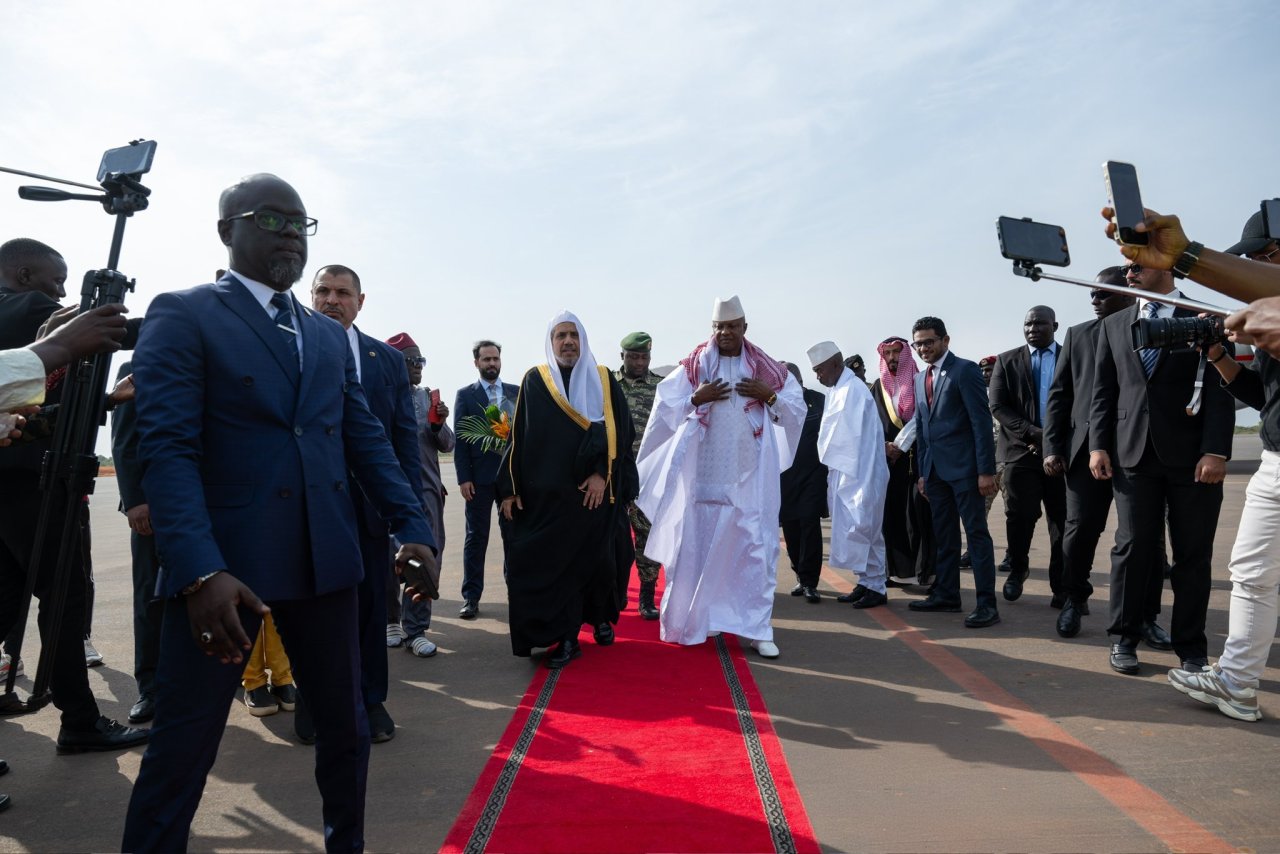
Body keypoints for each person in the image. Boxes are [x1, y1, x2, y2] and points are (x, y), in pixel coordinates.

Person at [121, 174, 436, 853]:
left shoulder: (324, 335)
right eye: (271, 218)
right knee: (183, 748)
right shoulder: (185, 313)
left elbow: (363, 437)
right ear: (226, 231)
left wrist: (412, 526)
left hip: (325, 561)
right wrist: (199, 572)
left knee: (347, 732)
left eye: (300, 222)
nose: (290, 232)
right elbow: (167, 450)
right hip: (225, 574)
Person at [0, 237, 146, 753]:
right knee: (64, 598)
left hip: (11, 482)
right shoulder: (28, 308)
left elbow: (29, 406)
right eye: (54, 281)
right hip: (38, 484)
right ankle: (80, 721)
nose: (60, 294)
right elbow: (111, 331)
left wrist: (104, 400)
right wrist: (192, 319)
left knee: (5, 601)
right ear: (23, 276)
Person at [1088, 253, 1234, 676]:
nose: (1129, 274)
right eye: (1127, 269)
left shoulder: (1204, 317)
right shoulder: (1114, 325)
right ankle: (1124, 637)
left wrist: (1216, 451)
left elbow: (1222, 388)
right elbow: (1104, 390)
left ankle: (1191, 648)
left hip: (1193, 459)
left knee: (1192, 555)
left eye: (1137, 267)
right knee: (1132, 548)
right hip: (1132, 455)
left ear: (1167, 267)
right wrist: (1098, 446)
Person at [1162, 205, 1280, 721]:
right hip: (1274, 460)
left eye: (1257, 260)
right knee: (1250, 573)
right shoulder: (1270, 315)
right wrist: (1217, 356)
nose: (1248, 273)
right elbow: (1263, 397)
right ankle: (1237, 682)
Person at [637, 296, 805, 658]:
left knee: (754, 551)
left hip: (750, 480)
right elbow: (664, 411)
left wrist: (768, 397)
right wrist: (695, 399)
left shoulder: (767, 369)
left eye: (731, 326)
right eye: (719, 327)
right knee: (698, 548)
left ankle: (757, 630)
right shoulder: (694, 366)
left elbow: (796, 411)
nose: (725, 332)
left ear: (744, 327)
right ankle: (699, 619)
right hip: (704, 480)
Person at [307, 263, 425, 744]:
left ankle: (371, 700)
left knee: (372, 607)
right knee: (314, 610)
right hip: (310, 504)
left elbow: (403, 442)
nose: (332, 300)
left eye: (342, 292)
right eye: (323, 291)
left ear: (360, 301)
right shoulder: (291, 347)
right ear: (310, 295)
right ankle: (315, 704)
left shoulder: (386, 360)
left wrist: (411, 521)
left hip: (372, 508)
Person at [497, 311, 636, 668]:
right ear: (551, 342)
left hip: (593, 498)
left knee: (602, 564)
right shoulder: (536, 381)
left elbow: (621, 432)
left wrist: (602, 474)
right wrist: (509, 489)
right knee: (556, 567)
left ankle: (600, 619)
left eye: (573, 335)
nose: (568, 341)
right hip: (550, 501)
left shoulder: (603, 378)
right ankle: (568, 637)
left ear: (583, 340)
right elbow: (519, 438)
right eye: (560, 335)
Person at [1043, 271, 1137, 637]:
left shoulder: (1146, 329)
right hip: (1083, 451)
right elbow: (1059, 395)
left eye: (1103, 294)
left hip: (1135, 447)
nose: (1094, 300)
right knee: (1079, 529)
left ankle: (1142, 615)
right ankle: (1073, 598)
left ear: (1128, 294)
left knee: (1139, 535)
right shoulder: (1078, 335)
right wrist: (1053, 447)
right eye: (1092, 294)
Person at [906, 316, 1001, 628]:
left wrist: (985, 471)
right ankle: (947, 595)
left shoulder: (965, 370)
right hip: (935, 474)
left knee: (976, 536)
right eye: (918, 344)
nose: (923, 348)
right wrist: (923, 473)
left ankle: (987, 604)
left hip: (966, 471)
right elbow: (922, 428)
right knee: (944, 536)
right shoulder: (919, 379)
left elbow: (980, 423)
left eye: (929, 342)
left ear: (945, 340)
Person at [988, 306, 1067, 606]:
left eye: (1040, 324)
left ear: (1055, 326)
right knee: (1019, 516)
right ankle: (1018, 568)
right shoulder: (1007, 360)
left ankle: (1062, 585)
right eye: (1028, 324)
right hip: (1021, 453)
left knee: (1062, 521)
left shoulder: (1071, 357)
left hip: (1063, 455)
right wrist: (1033, 433)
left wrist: (1055, 440)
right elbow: (998, 406)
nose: (1033, 329)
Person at [386, 331, 455, 657]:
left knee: (425, 560)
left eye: (420, 361)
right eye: (410, 361)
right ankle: (391, 621)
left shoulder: (428, 399)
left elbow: (448, 444)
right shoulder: (379, 398)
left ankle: (416, 630)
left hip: (427, 493)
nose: (417, 366)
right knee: (387, 559)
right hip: (388, 494)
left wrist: (439, 424)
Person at [809, 341, 889, 608]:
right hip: (845, 472)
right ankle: (865, 582)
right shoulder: (837, 389)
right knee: (854, 531)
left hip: (862, 472)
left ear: (835, 364)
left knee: (867, 529)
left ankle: (877, 586)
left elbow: (850, 438)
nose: (817, 377)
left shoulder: (853, 390)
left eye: (819, 370)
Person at [109, 360, 163, 724]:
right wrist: (135, 500)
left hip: (205, 503)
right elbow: (124, 441)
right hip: (152, 507)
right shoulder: (137, 369)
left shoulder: (209, 364)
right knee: (150, 597)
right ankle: (151, 688)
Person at [453, 340, 518, 620]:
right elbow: (461, 440)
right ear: (476, 363)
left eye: (495, 359)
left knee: (513, 538)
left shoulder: (517, 392)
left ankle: (517, 592)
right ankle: (471, 597)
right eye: (486, 359)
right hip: (478, 480)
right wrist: (464, 478)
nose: (492, 363)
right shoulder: (466, 395)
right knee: (476, 538)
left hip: (510, 481)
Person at [868, 336, 934, 586]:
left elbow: (923, 418)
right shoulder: (877, 388)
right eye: (887, 354)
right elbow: (869, 424)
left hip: (919, 460)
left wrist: (901, 444)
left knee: (920, 517)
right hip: (889, 464)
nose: (892, 358)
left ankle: (926, 573)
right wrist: (883, 446)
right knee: (892, 515)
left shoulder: (922, 381)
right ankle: (898, 573)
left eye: (897, 352)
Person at [615, 331, 664, 619]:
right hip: (616, 475)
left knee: (648, 535)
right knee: (616, 537)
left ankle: (647, 597)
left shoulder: (661, 387)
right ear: (622, 356)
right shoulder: (608, 385)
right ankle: (617, 592)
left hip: (648, 476)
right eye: (633, 357)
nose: (639, 362)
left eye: (644, 357)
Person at [778, 362, 827, 603]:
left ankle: (810, 582)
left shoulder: (818, 400)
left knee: (809, 524)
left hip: (813, 476)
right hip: (785, 478)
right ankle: (799, 573)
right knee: (791, 529)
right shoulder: (774, 403)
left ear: (800, 381)